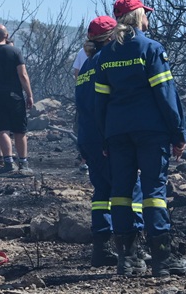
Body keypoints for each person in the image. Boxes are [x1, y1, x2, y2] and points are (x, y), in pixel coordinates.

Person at [94, 0, 186, 279]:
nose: (148, 19)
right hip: (151, 132)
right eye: (145, 14)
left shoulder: (105, 55)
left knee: (121, 194)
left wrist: (104, 137)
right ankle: (162, 258)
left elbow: (100, 103)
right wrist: (178, 133)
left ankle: (128, 259)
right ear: (137, 17)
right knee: (154, 194)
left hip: (117, 133)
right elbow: (166, 95)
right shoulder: (151, 48)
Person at [75, 16, 144, 267]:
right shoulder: (107, 63)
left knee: (102, 192)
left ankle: (101, 248)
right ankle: (134, 249)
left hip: (88, 138)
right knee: (128, 189)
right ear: (111, 36)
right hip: (107, 138)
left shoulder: (86, 66)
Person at [0, 24, 35, 174]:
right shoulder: (15, 51)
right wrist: (29, 94)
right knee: (20, 130)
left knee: (1, 129)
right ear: (7, 36)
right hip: (14, 95)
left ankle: (8, 162)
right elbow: (23, 75)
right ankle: (23, 163)